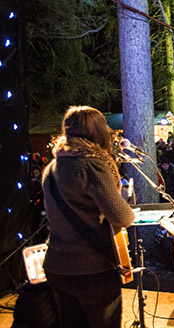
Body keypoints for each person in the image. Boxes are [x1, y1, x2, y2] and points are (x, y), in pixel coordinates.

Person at [42, 105, 135, 328]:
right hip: (91, 269)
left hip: (57, 266)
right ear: (97, 131)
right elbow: (122, 217)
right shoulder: (91, 165)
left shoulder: (52, 167)